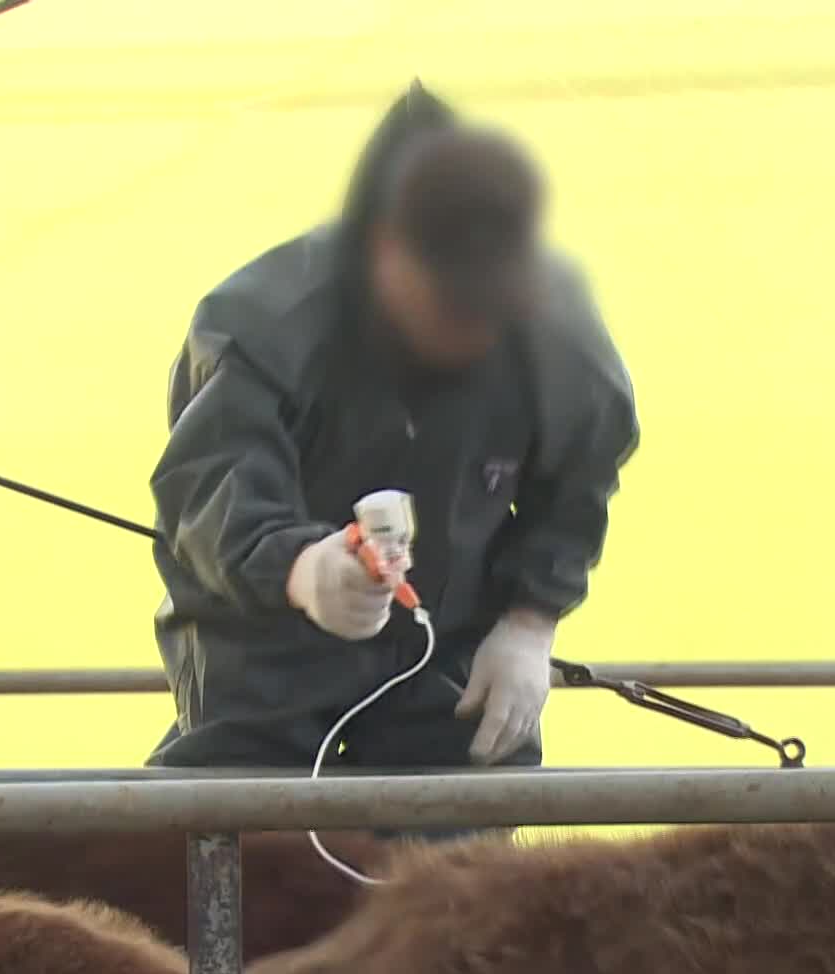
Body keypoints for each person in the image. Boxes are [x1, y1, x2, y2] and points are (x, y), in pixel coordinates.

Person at [144, 81, 640, 806]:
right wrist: (303, 569)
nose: (468, 337)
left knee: (462, 894)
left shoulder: (558, 330)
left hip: (453, 671)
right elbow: (211, 487)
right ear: (381, 252)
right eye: (446, 306)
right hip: (260, 679)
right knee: (251, 876)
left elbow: (581, 476)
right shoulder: (258, 324)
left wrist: (531, 624)